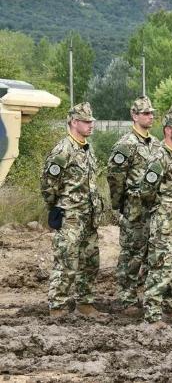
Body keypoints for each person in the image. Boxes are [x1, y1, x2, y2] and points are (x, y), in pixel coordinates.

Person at [40, 102, 106, 319]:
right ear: (74, 122)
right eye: (87, 122)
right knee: (66, 262)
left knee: (90, 263)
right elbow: (49, 185)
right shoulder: (63, 150)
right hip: (70, 217)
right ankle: (57, 307)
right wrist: (58, 208)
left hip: (89, 217)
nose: (91, 125)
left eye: (92, 121)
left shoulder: (87, 148)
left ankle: (85, 304)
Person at [107, 96, 161, 317]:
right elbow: (115, 177)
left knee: (151, 254)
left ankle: (148, 296)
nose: (150, 117)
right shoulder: (125, 144)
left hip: (153, 210)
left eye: (151, 113)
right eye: (146, 113)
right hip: (134, 209)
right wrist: (121, 203)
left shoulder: (155, 143)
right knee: (131, 255)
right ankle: (126, 297)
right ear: (134, 115)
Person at [140, 111, 172, 327]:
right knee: (161, 265)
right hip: (165, 220)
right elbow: (146, 190)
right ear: (168, 130)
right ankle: (152, 315)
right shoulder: (159, 157)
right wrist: (162, 206)